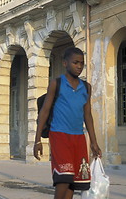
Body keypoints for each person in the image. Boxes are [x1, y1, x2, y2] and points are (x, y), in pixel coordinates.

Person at [34, 47, 102, 199]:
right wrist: (37, 140)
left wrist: (93, 142)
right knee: (63, 179)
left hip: (78, 138)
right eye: (75, 62)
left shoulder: (86, 87)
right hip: (59, 135)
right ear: (65, 63)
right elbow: (44, 111)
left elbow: (88, 115)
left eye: (82, 63)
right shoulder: (56, 84)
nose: (79, 66)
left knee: (74, 181)